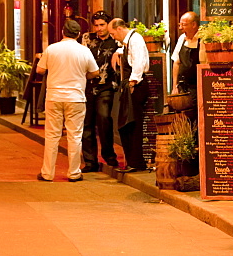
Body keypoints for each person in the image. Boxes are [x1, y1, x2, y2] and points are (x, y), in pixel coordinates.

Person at [36, 19, 99, 182]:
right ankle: (74, 172)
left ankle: (47, 173)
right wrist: (82, 75)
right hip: (76, 98)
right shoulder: (84, 51)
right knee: (75, 136)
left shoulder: (52, 49)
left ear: (63, 32)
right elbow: (95, 72)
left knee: (52, 136)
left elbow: (40, 70)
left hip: (54, 97)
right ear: (78, 34)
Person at [80, 11, 120, 172]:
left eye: (102, 25)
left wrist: (120, 52)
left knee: (104, 119)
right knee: (86, 123)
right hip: (86, 85)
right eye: (96, 25)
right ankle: (90, 161)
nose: (99, 28)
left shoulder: (115, 41)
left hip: (106, 86)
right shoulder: (87, 38)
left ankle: (109, 155)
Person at [109, 17, 150, 173]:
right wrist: (117, 51)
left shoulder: (136, 39)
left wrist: (133, 82)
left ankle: (137, 163)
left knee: (132, 125)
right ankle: (133, 161)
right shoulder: (128, 41)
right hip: (131, 85)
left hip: (135, 85)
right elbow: (123, 49)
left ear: (120, 29)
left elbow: (139, 62)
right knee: (126, 125)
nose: (113, 37)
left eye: (113, 33)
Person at [171, 11, 205, 94]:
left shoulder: (203, 39)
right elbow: (176, 63)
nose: (180, 28)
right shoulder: (182, 38)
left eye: (184, 25)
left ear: (194, 25)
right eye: (180, 24)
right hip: (184, 87)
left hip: (200, 86)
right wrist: (174, 86)